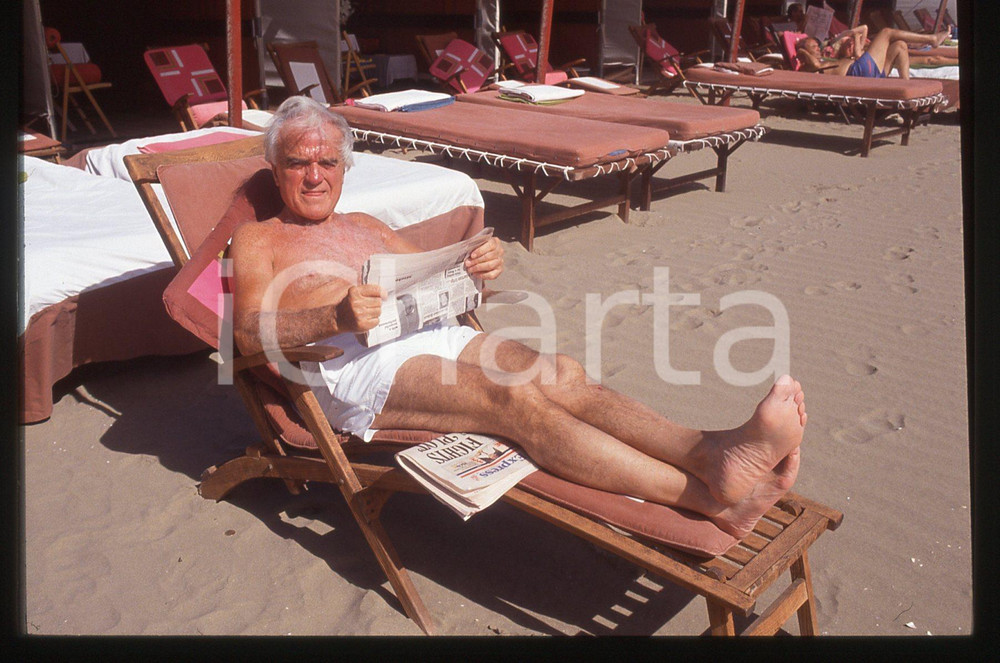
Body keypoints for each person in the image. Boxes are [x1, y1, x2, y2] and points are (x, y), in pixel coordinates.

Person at [230, 96, 808, 539]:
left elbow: (441, 284)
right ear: (275, 167)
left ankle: (708, 453)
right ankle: (708, 501)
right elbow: (246, 334)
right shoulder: (259, 239)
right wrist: (331, 315)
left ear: (344, 166)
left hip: (430, 336)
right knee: (511, 399)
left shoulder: (367, 226)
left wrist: (478, 268)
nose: (314, 175)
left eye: (327, 161)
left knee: (562, 373)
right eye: (298, 163)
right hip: (353, 366)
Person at [796, 24, 952, 78]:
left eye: (816, 45)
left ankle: (905, 91)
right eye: (813, 47)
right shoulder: (807, 68)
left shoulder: (824, 60)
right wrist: (802, 51)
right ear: (804, 52)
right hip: (859, 72)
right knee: (886, 32)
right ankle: (932, 39)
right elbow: (815, 65)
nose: (817, 48)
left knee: (900, 45)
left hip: (868, 72)